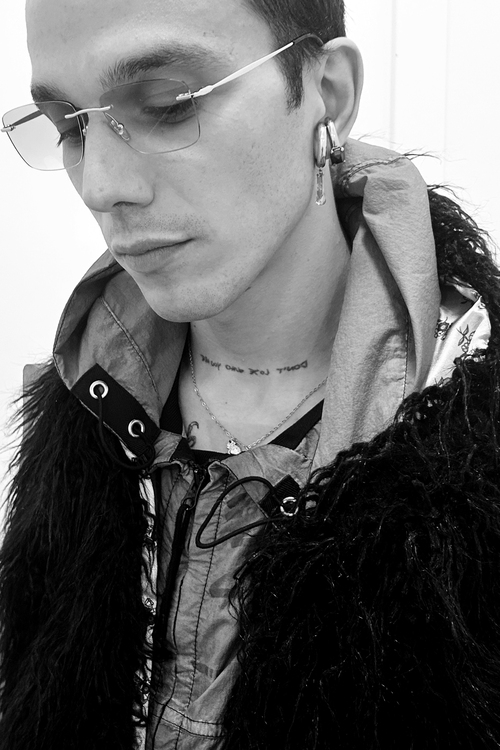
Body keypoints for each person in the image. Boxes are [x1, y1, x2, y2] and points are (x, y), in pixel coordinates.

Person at [1, 0, 499, 748]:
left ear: (327, 92)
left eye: (168, 103)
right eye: (69, 125)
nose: (100, 186)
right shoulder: (87, 409)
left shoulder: (472, 461)